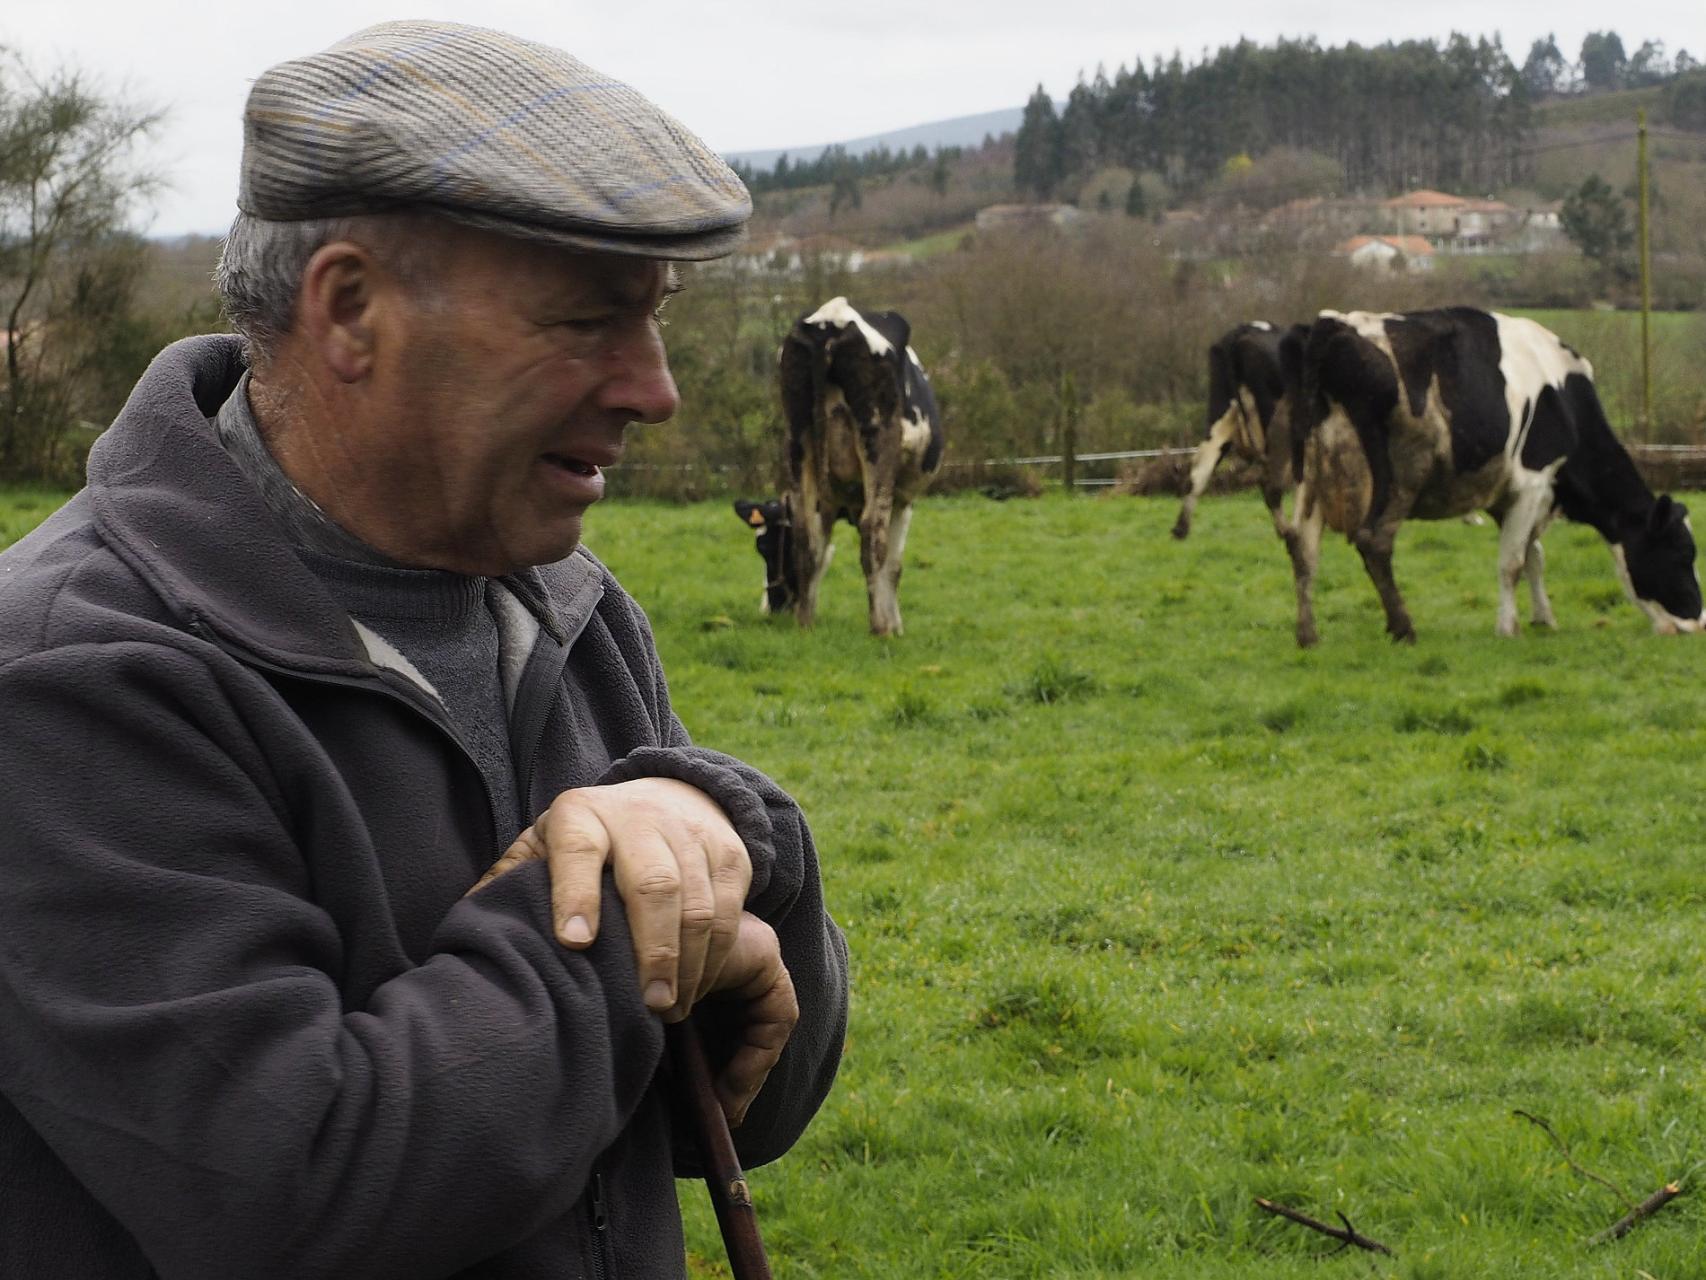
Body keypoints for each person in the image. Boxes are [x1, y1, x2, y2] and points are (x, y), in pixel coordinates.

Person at [0, 20, 847, 1279]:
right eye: (586, 320)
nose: (654, 387)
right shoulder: (69, 681)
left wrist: (737, 851)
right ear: (349, 310)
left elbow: (731, 1108)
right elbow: (297, 1193)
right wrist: (629, 919)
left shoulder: (565, 605)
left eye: (654, 320)